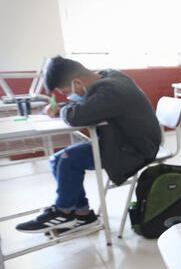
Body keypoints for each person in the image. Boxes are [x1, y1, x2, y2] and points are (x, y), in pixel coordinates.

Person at [16, 56, 161, 234]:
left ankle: (63, 211)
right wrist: (64, 106)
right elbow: (86, 105)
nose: (68, 95)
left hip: (135, 147)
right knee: (57, 159)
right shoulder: (109, 76)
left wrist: (62, 109)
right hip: (122, 138)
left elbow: (76, 116)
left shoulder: (111, 90)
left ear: (78, 82)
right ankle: (83, 214)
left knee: (68, 159)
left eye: (66, 91)